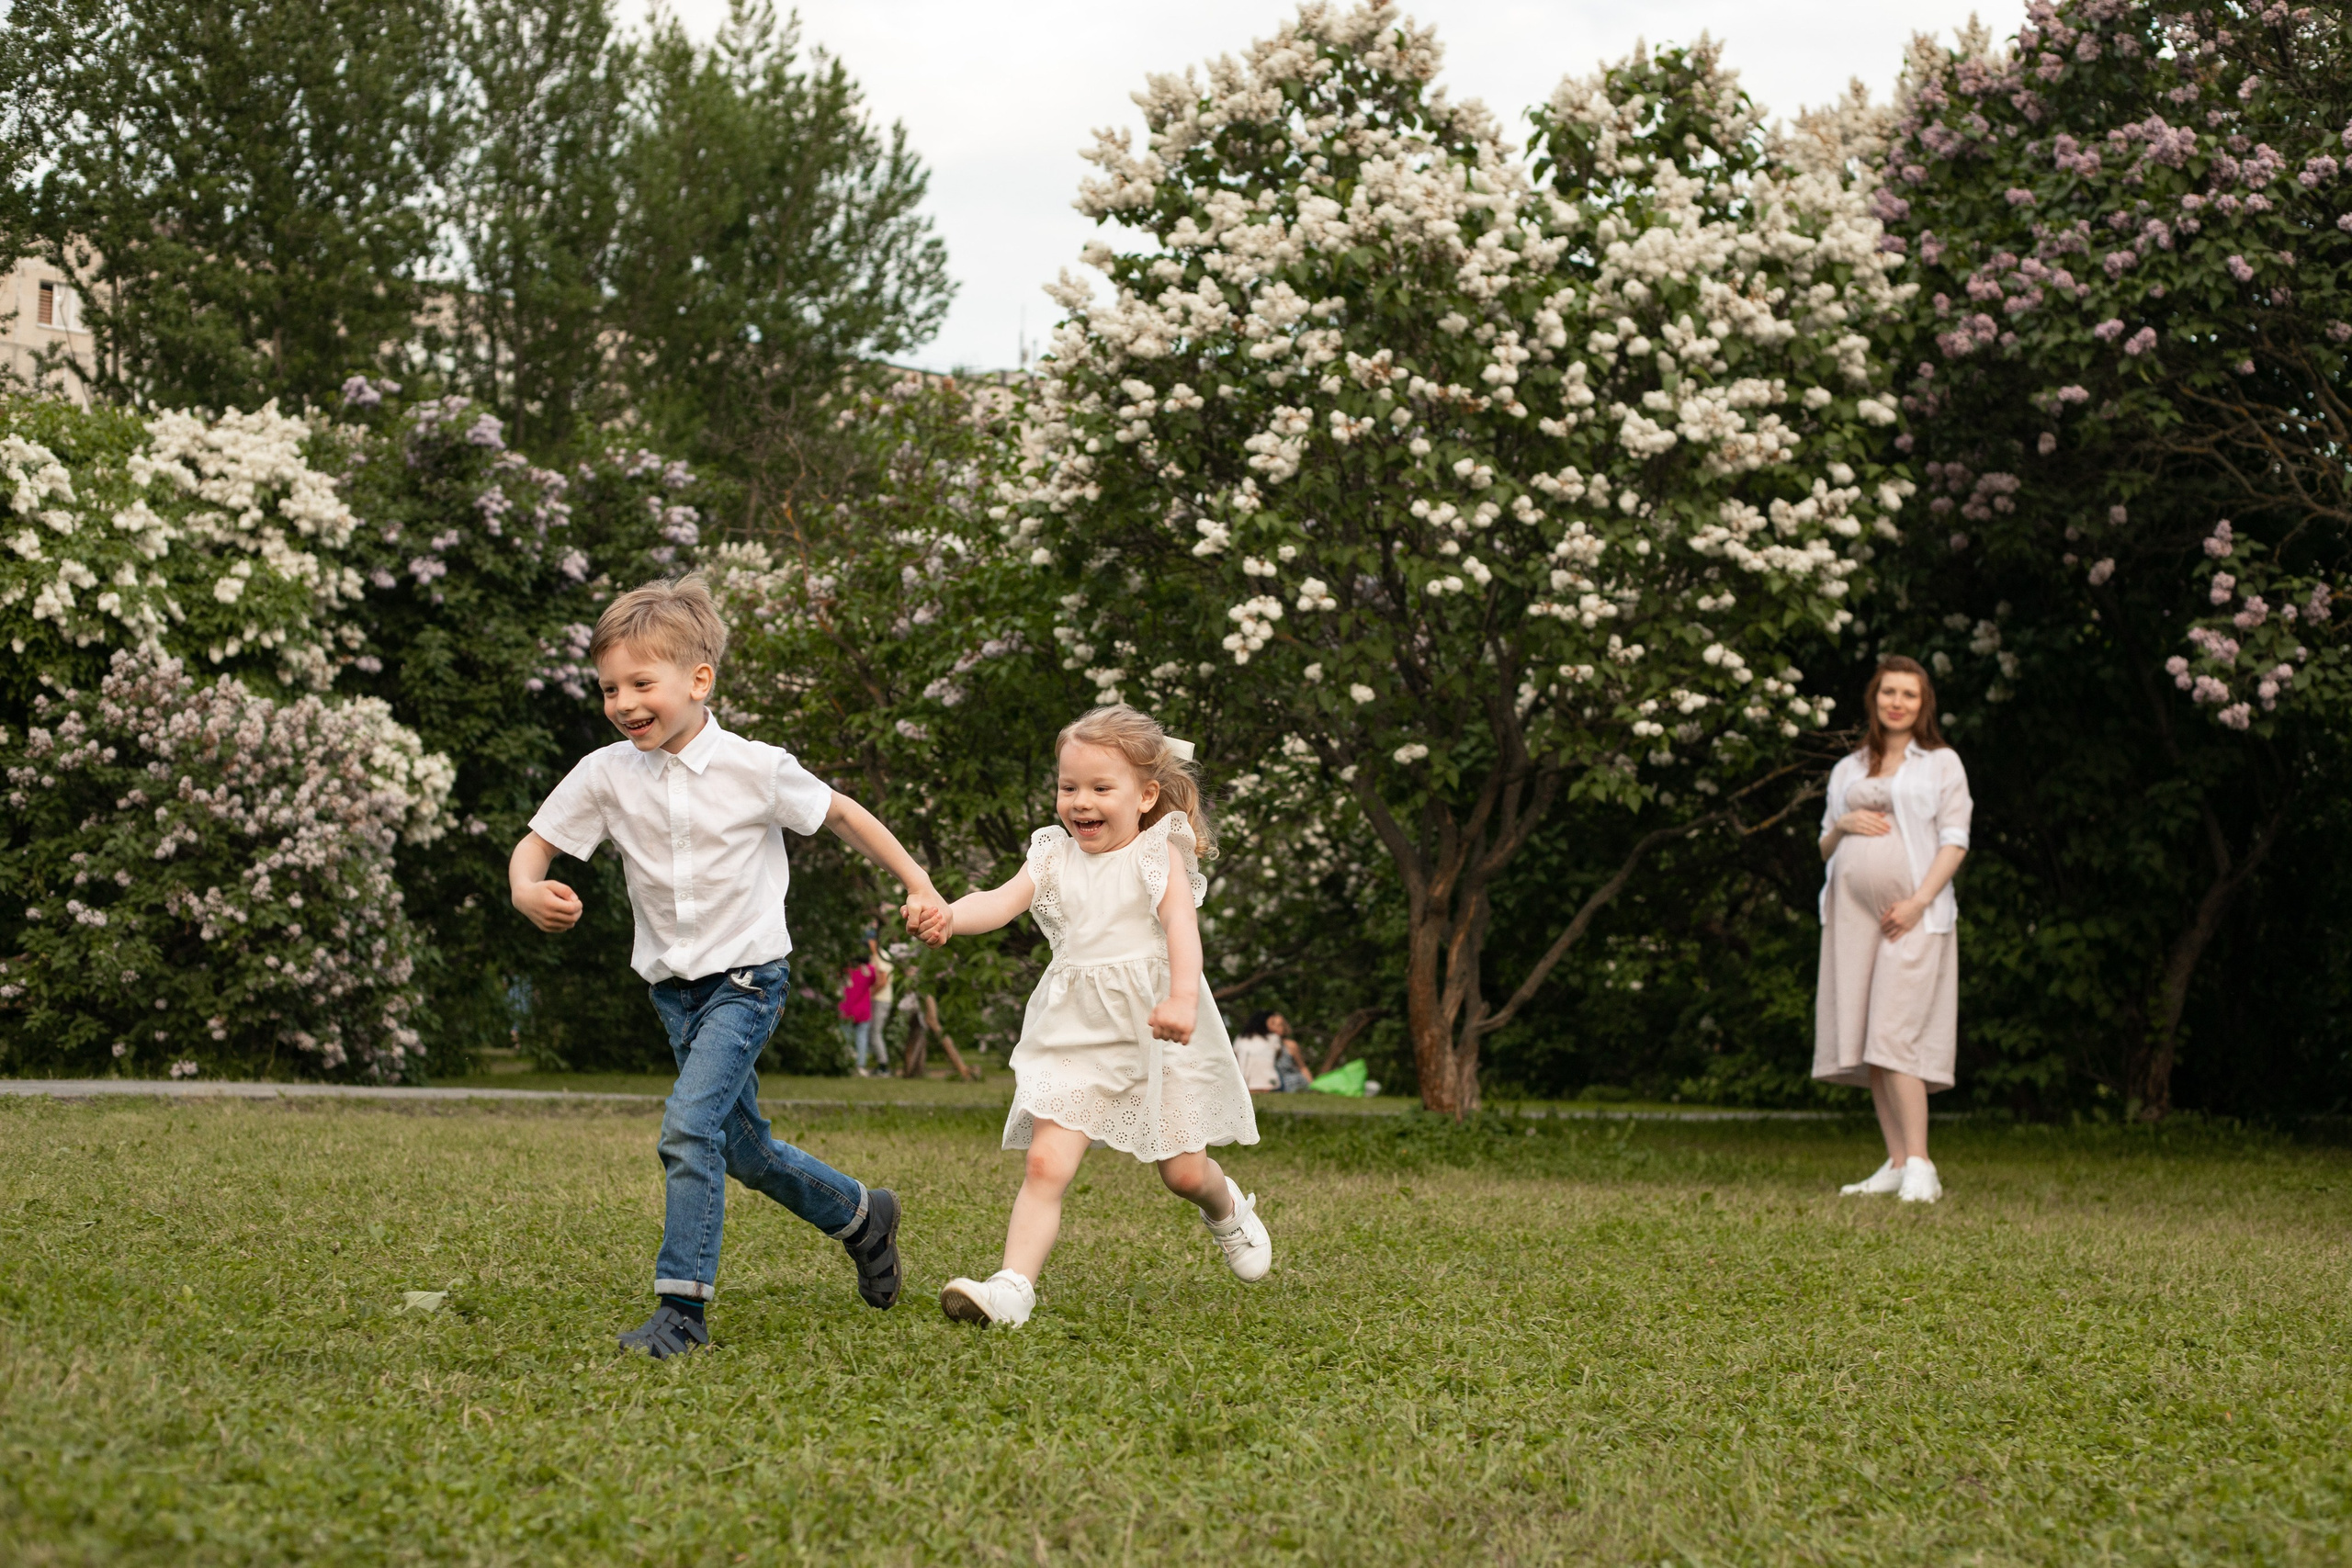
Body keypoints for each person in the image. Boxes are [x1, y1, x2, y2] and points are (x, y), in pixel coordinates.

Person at [508, 573, 949, 1358]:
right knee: (741, 1148)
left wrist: (917, 882)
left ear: (698, 679)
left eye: (642, 682)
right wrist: (525, 886)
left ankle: (681, 1311)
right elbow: (538, 841)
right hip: (674, 991)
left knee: (686, 1130)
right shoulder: (606, 773)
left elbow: (843, 813)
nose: (623, 701)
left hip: (747, 980)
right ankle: (862, 1215)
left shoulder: (756, 766)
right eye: (610, 686)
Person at [925, 704, 1267, 1327]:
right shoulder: (1053, 854)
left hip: (1160, 1031)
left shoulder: (1156, 854)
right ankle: (1012, 1286)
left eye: (1100, 788)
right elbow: (999, 902)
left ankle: (1228, 1210)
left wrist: (1184, 997)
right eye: (1068, 786)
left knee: (1184, 1172)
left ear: (1146, 795)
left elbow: (1182, 929)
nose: (1080, 801)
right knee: (1044, 1161)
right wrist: (951, 915)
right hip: (1077, 1032)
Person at [1815, 655, 1972, 1204]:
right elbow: (1824, 846)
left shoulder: (1941, 763)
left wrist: (1917, 901)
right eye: (1888, 693)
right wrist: (1841, 826)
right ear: (1874, 699)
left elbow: (1955, 840)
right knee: (1869, 1040)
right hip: (1854, 918)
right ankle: (1897, 1160)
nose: (1897, 702)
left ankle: (1923, 1166)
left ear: (1923, 704)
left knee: (1895, 1034)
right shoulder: (1850, 768)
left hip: (1914, 916)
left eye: (1908, 694)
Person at [841, 934, 888, 1076]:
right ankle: (860, 1066)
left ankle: (846, 1063)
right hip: (863, 1009)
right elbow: (880, 980)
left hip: (847, 1008)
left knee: (846, 1038)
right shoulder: (870, 970)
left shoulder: (847, 970)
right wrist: (875, 955)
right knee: (862, 1039)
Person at [1234, 1010, 1312, 1094]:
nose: (1277, 1027)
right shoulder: (1273, 1039)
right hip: (1271, 1085)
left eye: (1280, 1025)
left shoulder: (1240, 1038)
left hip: (1245, 1084)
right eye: (1273, 1023)